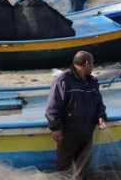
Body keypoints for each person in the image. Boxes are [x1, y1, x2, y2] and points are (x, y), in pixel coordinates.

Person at [45, 51, 107, 180]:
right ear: (86, 63)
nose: (93, 67)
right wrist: (55, 128)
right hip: (68, 133)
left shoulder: (92, 81)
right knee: (64, 167)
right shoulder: (63, 80)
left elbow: (98, 103)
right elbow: (52, 107)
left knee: (83, 168)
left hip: (87, 132)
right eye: (92, 64)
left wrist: (101, 116)